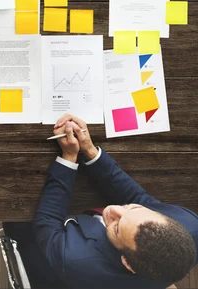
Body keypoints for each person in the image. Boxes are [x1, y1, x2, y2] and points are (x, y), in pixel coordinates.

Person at [11, 113, 198, 289]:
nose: (112, 210)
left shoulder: (76, 259)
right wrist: (90, 151)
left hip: (57, 260)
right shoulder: (191, 225)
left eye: (116, 227)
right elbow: (138, 198)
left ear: (126, 262)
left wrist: (69, 157)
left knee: (18, 224)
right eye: (133, 210)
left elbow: (47, 221)